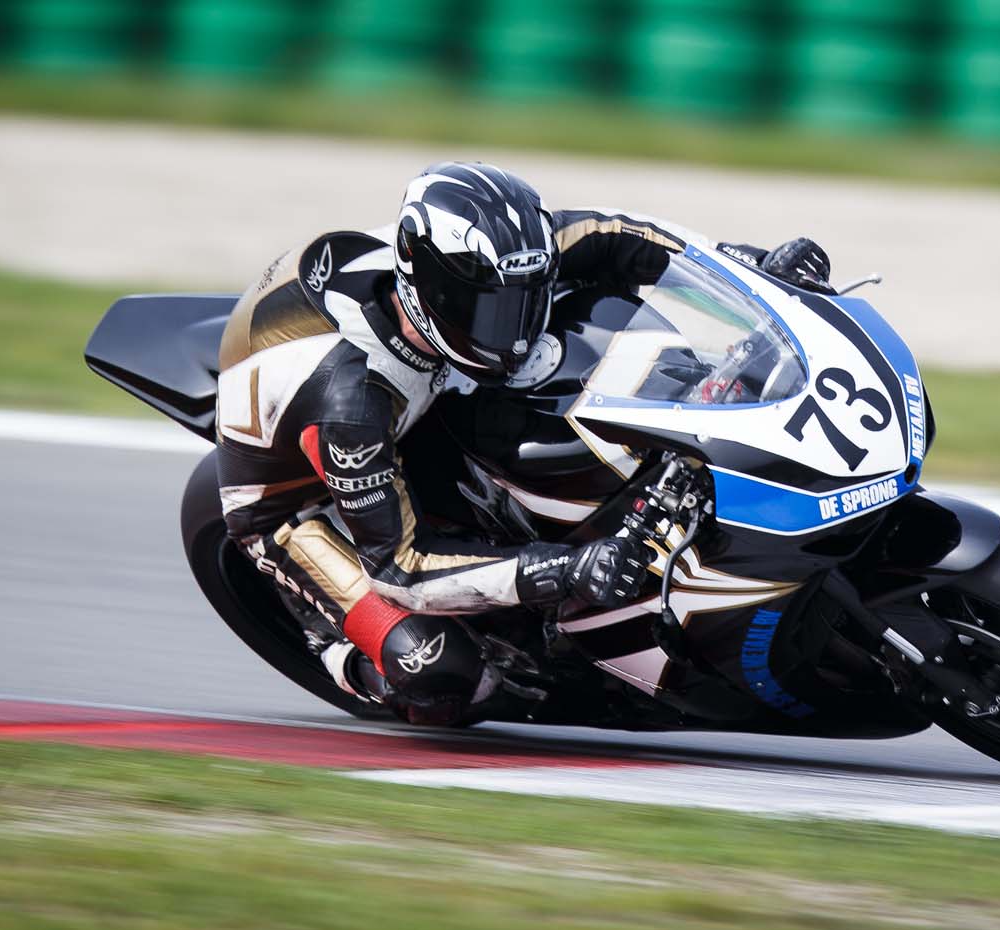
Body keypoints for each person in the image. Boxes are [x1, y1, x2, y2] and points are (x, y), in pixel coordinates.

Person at [214, 161, 834, 721]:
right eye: (493, 312)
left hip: (417, 400)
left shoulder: (504, 257)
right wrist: (567, 568)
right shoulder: (352, 405)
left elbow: (623, 236)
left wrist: (752, 267)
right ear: (433, 293)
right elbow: (404, 568)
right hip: (290, 509)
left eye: (523, 303)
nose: (514, 332)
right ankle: (343, 656)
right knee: (442, 673)